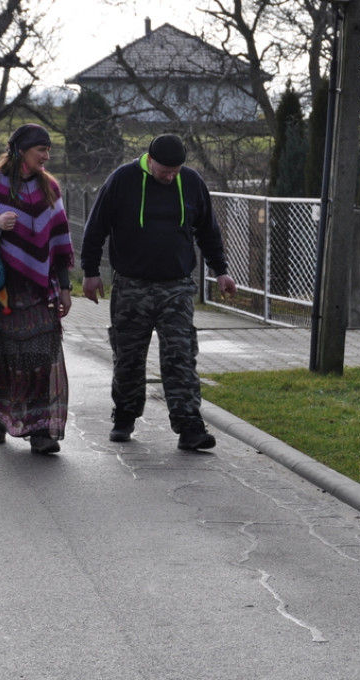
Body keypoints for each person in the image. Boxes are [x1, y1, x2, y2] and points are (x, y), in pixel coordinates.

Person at [81, 134, 237, 450]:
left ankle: (189, 426)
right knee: (128, 356)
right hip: (131, 285)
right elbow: (96, 227)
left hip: (176, 286)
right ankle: (124, 416)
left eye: (175, 171)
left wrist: (221, 271)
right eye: (164, 171)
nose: (169, 177)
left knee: (180, 355)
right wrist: (90, 273)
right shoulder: (123, 179)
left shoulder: (191, 182)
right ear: (149, 160)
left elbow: (209, 230)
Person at [0, 124, 75, 455]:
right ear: (22, 150)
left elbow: (59, 243)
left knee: (39, 356)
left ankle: (39, 431)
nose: (47, 156)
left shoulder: (50, 188)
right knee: (3, 357)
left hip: (38, 292)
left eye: (49, 150)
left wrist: (65, 287)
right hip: (0, 290)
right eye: (41, 150)